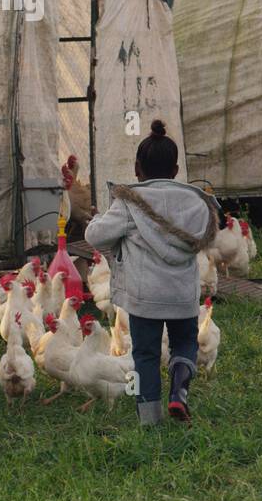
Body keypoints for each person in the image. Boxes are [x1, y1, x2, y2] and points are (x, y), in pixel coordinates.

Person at [84, 120, 221, 425]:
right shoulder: (197, 204)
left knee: (145, 354)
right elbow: (211, 235)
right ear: (175, 170)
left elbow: (96, 237)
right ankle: (179, 394)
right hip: (182, 295)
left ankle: (149, 421)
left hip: (144, 298)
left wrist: (96, 219)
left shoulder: (129, 203)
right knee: (185, 344)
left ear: (137, 169)